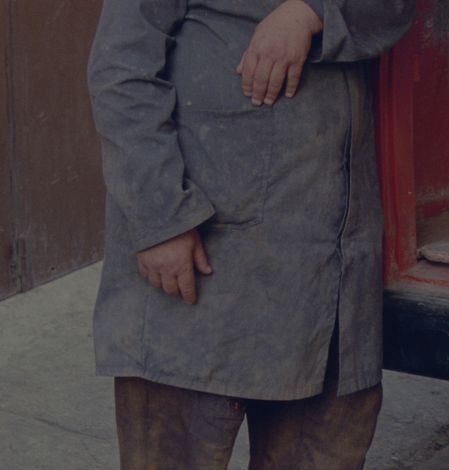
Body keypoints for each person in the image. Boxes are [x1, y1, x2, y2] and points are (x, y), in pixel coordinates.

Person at [88, 0, 415, 468]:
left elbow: (395, 8)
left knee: (325, 445)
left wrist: (309, 13)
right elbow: (120, 71)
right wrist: (160, 218)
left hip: (329, 267)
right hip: (204, 261)